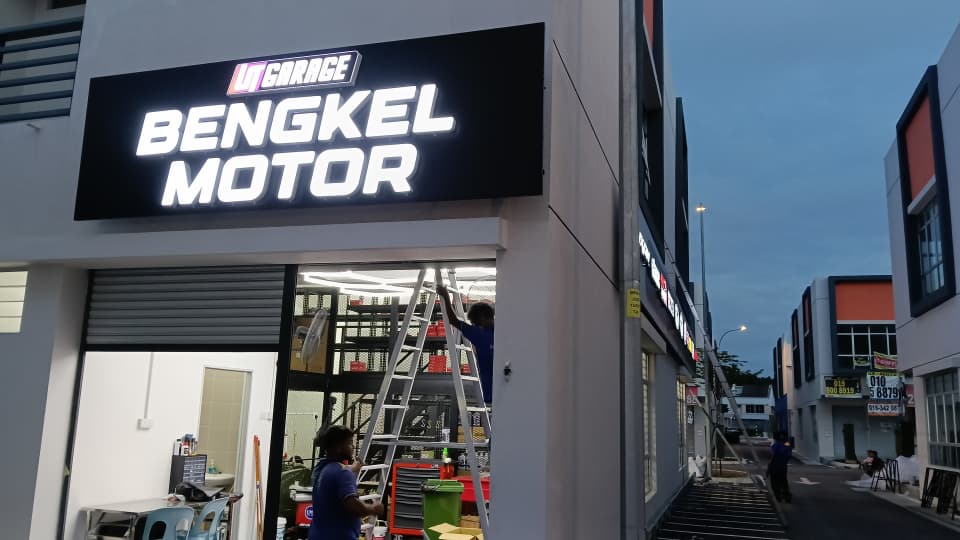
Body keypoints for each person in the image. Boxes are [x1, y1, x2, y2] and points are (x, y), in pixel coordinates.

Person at [309, 425, 383, 540]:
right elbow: (353, 506)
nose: (353, 446)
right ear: (338, 447)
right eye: (349, 443)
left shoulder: (320, 468)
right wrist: (373, 509)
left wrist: (353, 467)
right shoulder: (343, 473)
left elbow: (335, 472)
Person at [437, 284, 494, 405]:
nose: (474, 325)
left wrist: (445, 296)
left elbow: (453, 320)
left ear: (481, 319)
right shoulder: (500, 332)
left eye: (474, 322)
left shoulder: (479, 334)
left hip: (490, 390)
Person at [767, 431, 792, 503]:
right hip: (783, 466)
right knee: (783, 481)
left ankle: (778, 497)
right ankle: (787, 496)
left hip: (774, 466)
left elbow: (773, 456)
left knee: (774, 483)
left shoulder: (775, 445)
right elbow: (789, 454)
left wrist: (769, 468)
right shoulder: (787, 444)